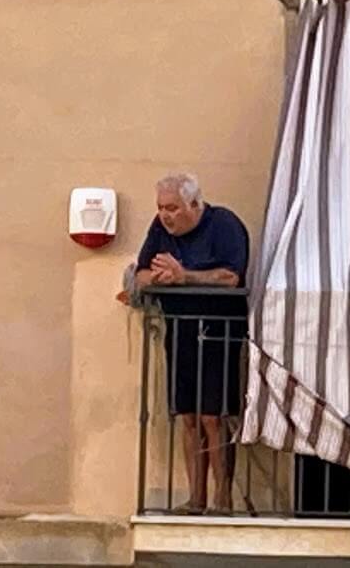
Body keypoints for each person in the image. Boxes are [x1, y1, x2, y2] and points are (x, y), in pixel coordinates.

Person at [133, 173, 249, 514]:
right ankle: (195, 499)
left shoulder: (224, 225)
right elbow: (140, 272)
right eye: (161, 208)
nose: (166, 215)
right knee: (188, 415)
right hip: (180, 330)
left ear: (195, 205)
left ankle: (222, 499)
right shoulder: (159, 229)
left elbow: (231, 277)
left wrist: (184, 275)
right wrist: (158, 277)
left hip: (218, 332)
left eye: (173, 208)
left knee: (214, 416)